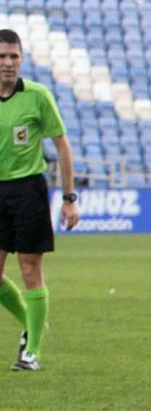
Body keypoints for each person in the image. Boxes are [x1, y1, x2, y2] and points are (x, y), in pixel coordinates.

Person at [0, 29, 78, 372]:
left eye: (13, 56)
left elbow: (62, 145)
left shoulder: (37, 96)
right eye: (1, 56)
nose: (7, 63)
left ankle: (31, 351)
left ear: (22, 59)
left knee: (30, 269)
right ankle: (31, 323)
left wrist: (69, 198)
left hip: (28, 190)